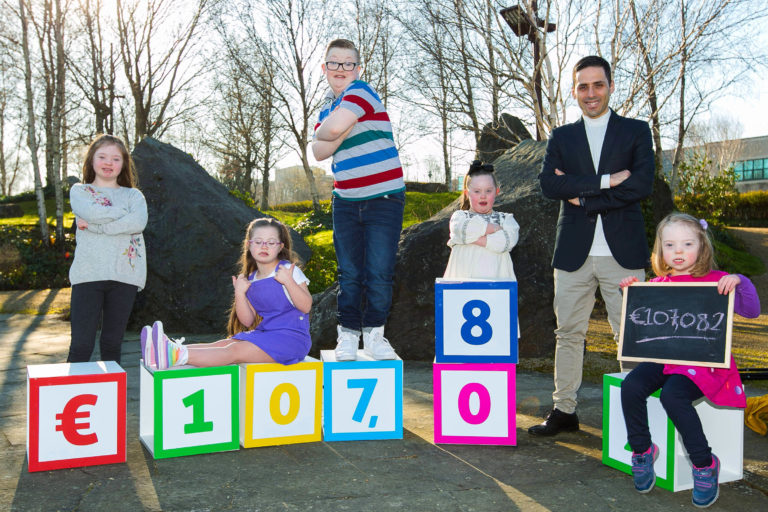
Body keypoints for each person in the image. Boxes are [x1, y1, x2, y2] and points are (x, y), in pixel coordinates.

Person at [530, 55, 655, 436]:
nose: (591, 93)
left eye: (597, 84)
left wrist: (582, 193)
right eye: (583, 86)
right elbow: (550, 185)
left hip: (624, 252)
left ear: (611, 86)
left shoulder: (636, 131)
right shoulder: (562, 136)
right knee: (568, 333)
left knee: (630, 335)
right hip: (573, 253)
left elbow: (640, 185)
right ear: (574, 91)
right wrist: (605, 182)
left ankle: (634, 414)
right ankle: (564, 409)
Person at [618, 213, 760, 508]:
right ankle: (643, 450)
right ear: (661, 250)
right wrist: (632, 294)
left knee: (673, 396)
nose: (678, 251)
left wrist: (740, 281)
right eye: (670, 245)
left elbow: (752, 310)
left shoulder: (718, 281)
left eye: (686, 243)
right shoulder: (658, 283)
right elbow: (643, 325)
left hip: (704, 363)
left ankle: (704, 463)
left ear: (702, 246)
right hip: (666, 359)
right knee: (631, 385)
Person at [311, 38, 405, 361]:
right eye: (333, 63)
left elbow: (329, 132)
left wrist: (334, 129)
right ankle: (348, 334)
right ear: (324, 69)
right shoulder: (326, 107)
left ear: (358, 69)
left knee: (379, 270)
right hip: (346, 199)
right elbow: (319, 150)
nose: (341, 68)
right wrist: (334, 129)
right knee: (349, 271)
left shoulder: (361, 91)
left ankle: (375, 334)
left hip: (384, 197)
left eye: (348, 63)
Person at [142, 218, 313, 369]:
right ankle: (163, 351)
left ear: (280, 247)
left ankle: (176, 355)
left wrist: (289, 282)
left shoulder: (289, 271)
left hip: (292, 340)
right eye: (258, 241)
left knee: (234, 350)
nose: (264, 246)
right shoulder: (251, 279)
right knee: (225, 343)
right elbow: (247, 321)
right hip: (266, 334)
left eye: (271, 242)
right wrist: (240, 293)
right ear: (248, 245)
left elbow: (306, 307)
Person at [67, 134, 147, 364]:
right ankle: (70, 394)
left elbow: (138, 223)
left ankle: (113, 400)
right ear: (92, 160)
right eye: (102, 156)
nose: (108, 163)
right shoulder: (80, 192)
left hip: (125, 276)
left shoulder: (134, 195)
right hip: (88, 275)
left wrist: (97, 228)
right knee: (81, 345)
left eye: (115, 158)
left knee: (112, 344)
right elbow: (93, 213)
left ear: (123, 164)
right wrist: (124, 215)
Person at [443, 160, 519, 280]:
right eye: (477, 191)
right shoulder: (459, 217)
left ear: (497, 192)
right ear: (467, 193)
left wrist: (469, 238)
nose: (483, 196)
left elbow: (506, 241)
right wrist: (493, 228)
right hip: (461, 290)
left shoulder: (506, 219)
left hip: (497, 288)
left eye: (488, 191)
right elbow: (462, 229)